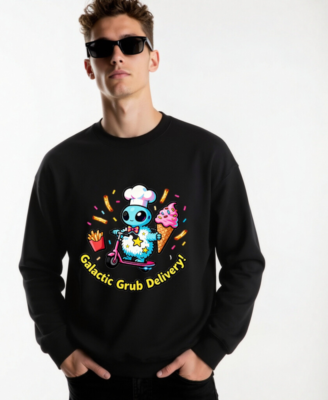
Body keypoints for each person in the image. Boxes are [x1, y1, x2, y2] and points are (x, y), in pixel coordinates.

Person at [18, 0, 266, 398]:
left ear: (153, 59)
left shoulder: (205, 155)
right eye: (101, 48)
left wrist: (211, 351)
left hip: (184, 382)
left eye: (131, 44)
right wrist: (61, 349)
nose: (116, 56)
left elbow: (245, 262)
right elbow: (37, 266)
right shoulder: (62, 166)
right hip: (96, 384)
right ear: (89, 66)